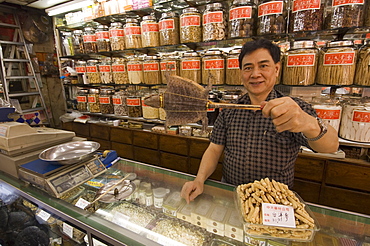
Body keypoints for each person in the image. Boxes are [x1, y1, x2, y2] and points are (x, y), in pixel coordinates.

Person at [181, 38, 339, 204]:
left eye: (263, 66)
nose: (255, 74)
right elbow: (214, 149)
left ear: (276, 69)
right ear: (241, 72)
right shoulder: (230, 109)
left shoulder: (293, 109)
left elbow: (331, 146)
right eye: (248, 68)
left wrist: (309, 124)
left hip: (274, 201)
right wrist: (199, 179)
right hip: (231, 194)